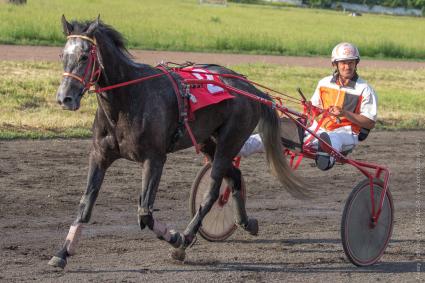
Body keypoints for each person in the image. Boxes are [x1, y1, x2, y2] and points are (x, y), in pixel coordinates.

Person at [239, 42, 378, 171]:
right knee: (273, 132)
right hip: (315, 130)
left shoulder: (364, 89)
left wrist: (345, 114)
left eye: (351, 62)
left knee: (333, 138)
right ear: (335, 64)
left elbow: (370, 123)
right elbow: (312, 114)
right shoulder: (324, 83)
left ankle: (327, 156)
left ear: (356, 63)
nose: (347, 67)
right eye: (343, 63)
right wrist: (310, 109)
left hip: (345, 133)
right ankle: (238, 147)